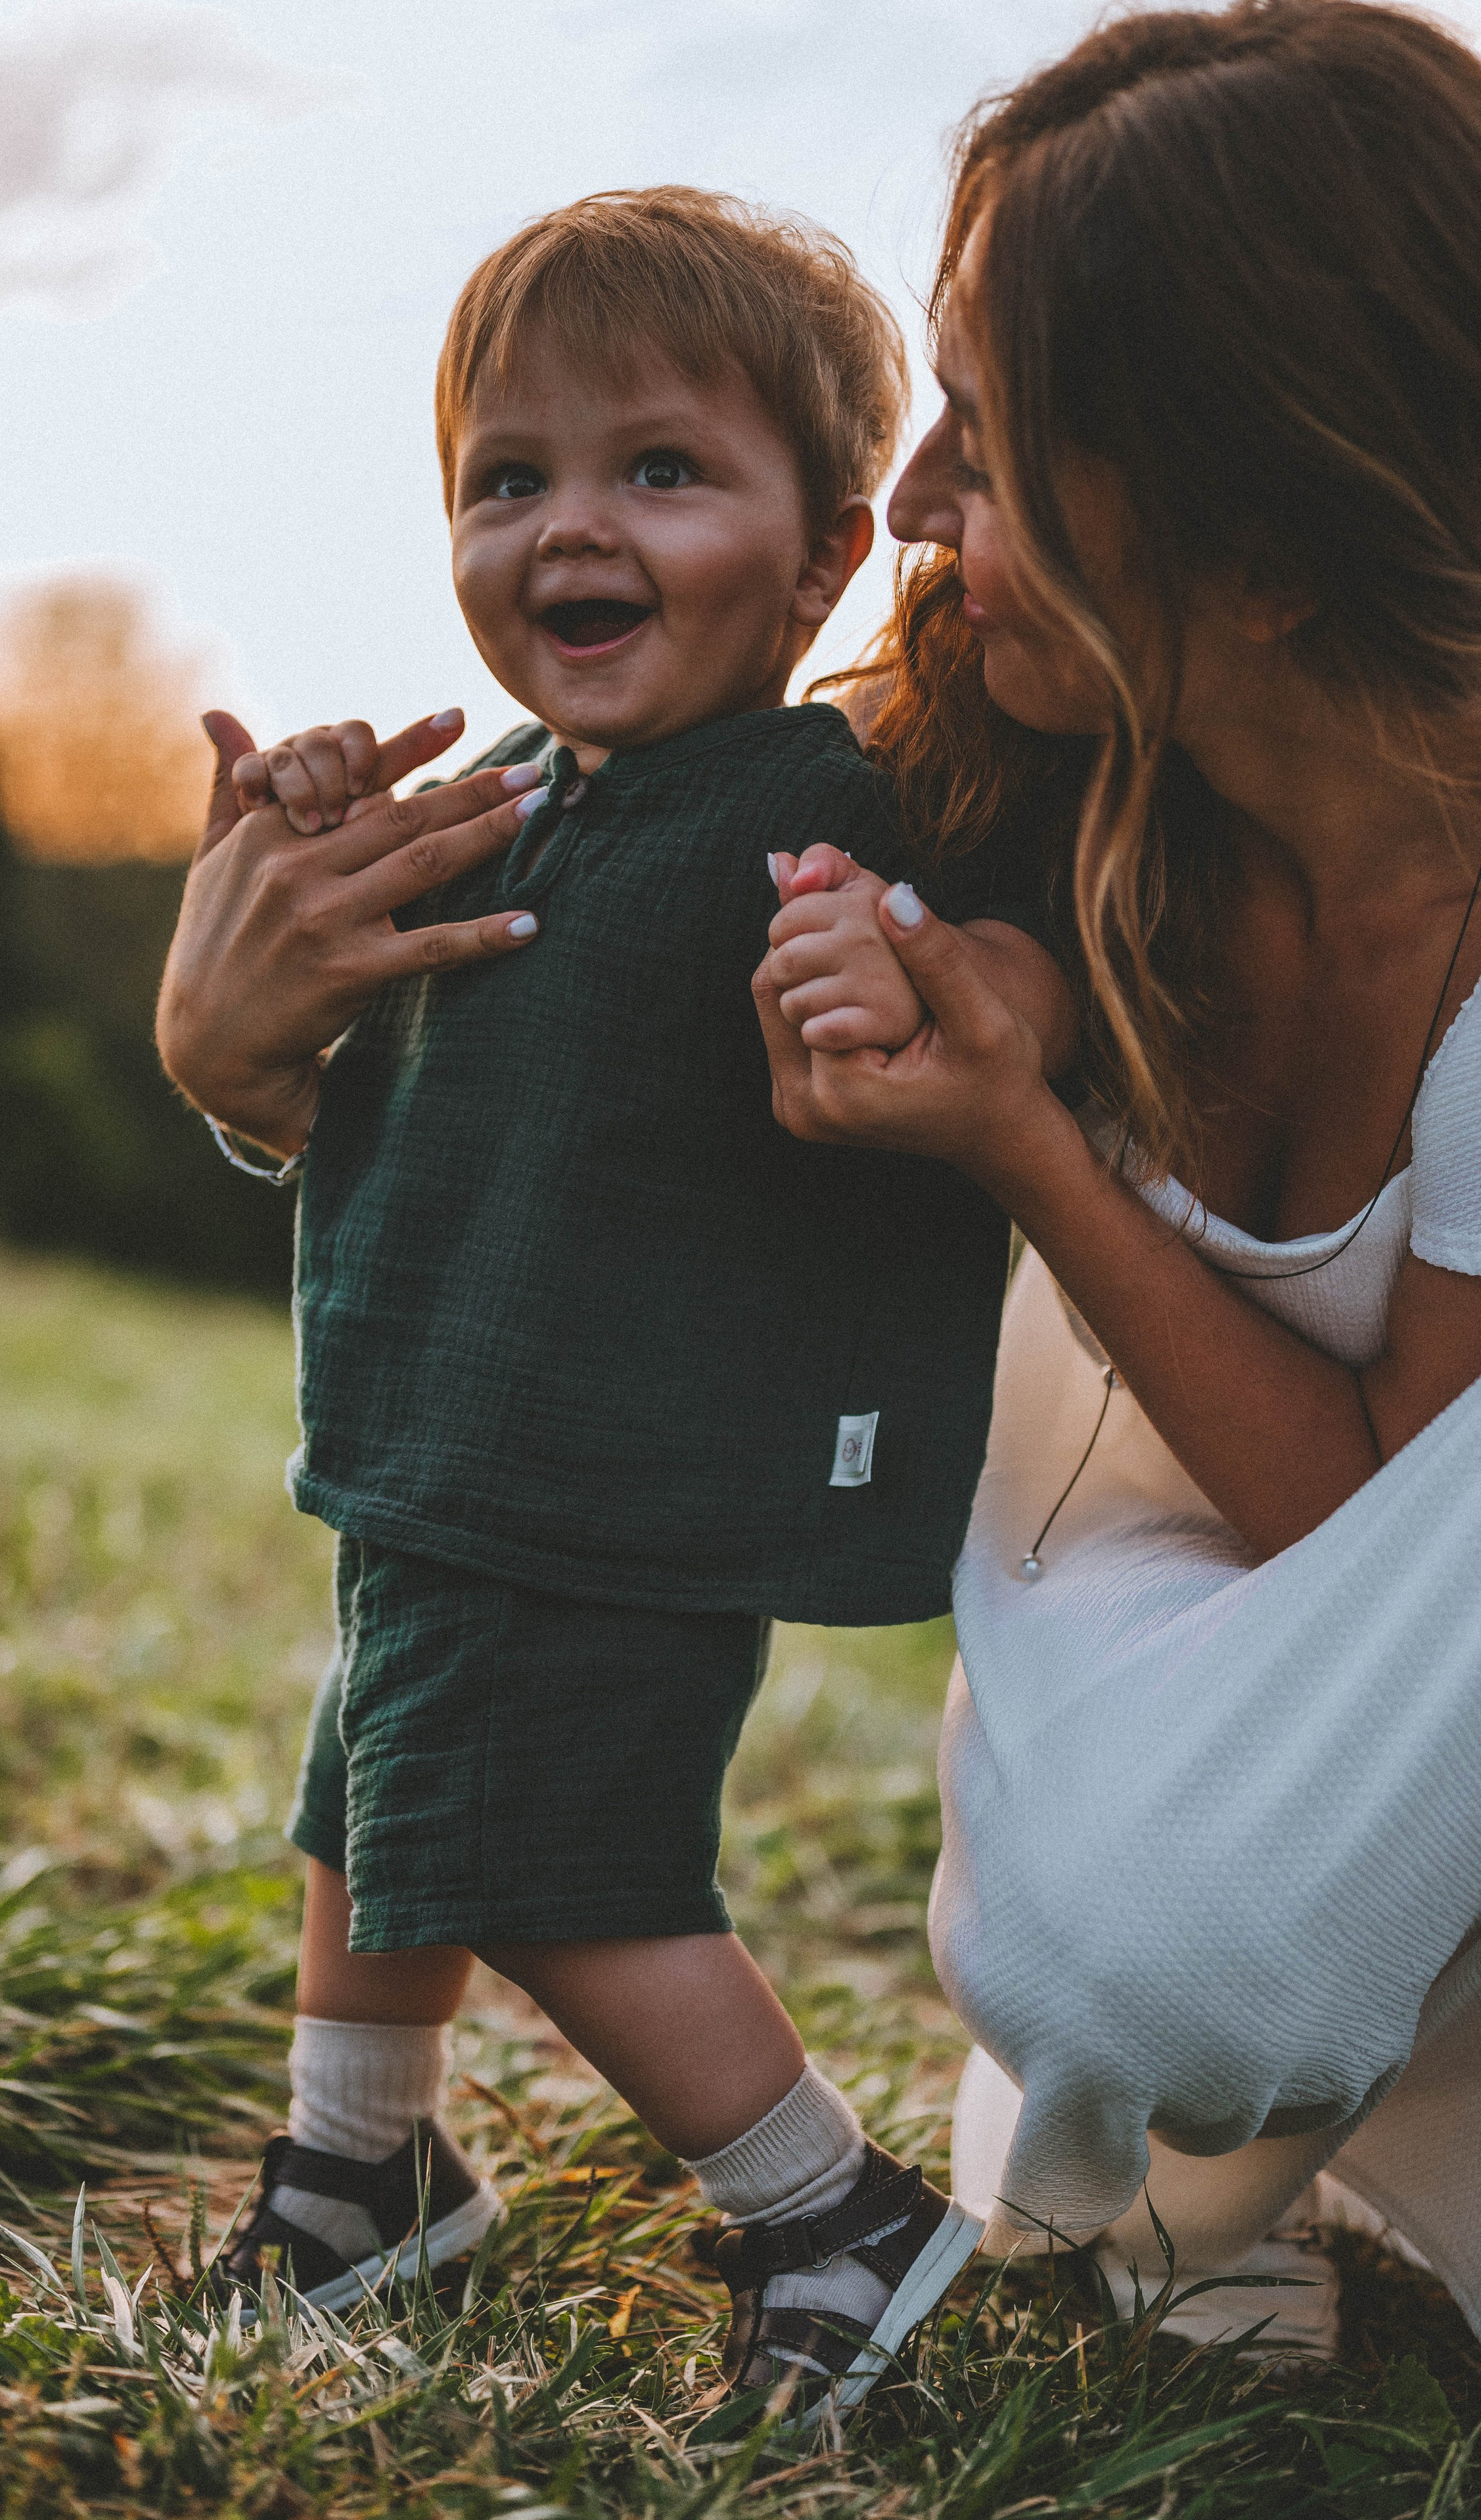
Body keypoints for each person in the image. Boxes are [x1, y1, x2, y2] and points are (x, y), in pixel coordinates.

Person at [156, 186, 1076, 2416]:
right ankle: (359, 2180)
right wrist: (284, 853)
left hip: (618, 1459)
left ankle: (827, 2211)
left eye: (662, 469)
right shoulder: (489, 803)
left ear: (827, 551)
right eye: (510, 476)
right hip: (448, 1438)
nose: (573, 525)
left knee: (549, 1851)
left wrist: (913, 977)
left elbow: (1017, 983)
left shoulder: (823, 805)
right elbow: (341, 1055)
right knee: (374, 1797)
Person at [755, 0, 1481, 2352]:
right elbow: (607, 859)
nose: (911, 499)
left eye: (994, 424)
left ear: (1263, 535)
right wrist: (251, 1041)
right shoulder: (1031, 764)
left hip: (1373, 1702)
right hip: (1178, 1676)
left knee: (1200, 1942)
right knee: (1160, 1967)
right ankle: (1223, 2152)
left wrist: (1033, 1151)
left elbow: (1381, 1535)